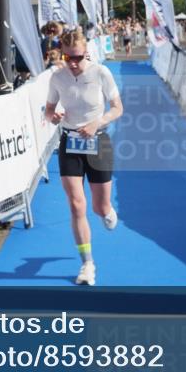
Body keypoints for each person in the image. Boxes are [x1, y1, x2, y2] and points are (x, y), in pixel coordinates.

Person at [44, 30, 124, 286]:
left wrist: (97, 122)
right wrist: (53, 117)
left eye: (77, 57)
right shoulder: (58, 77)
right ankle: (87, 263)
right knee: (76, 205)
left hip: (97, 141)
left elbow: (118, 108)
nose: (73, 63)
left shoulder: (101, 73)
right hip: (70, 143)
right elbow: (48, 110)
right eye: (67, 57)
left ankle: (107, 210)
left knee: (99, 207)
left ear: (86, 52)